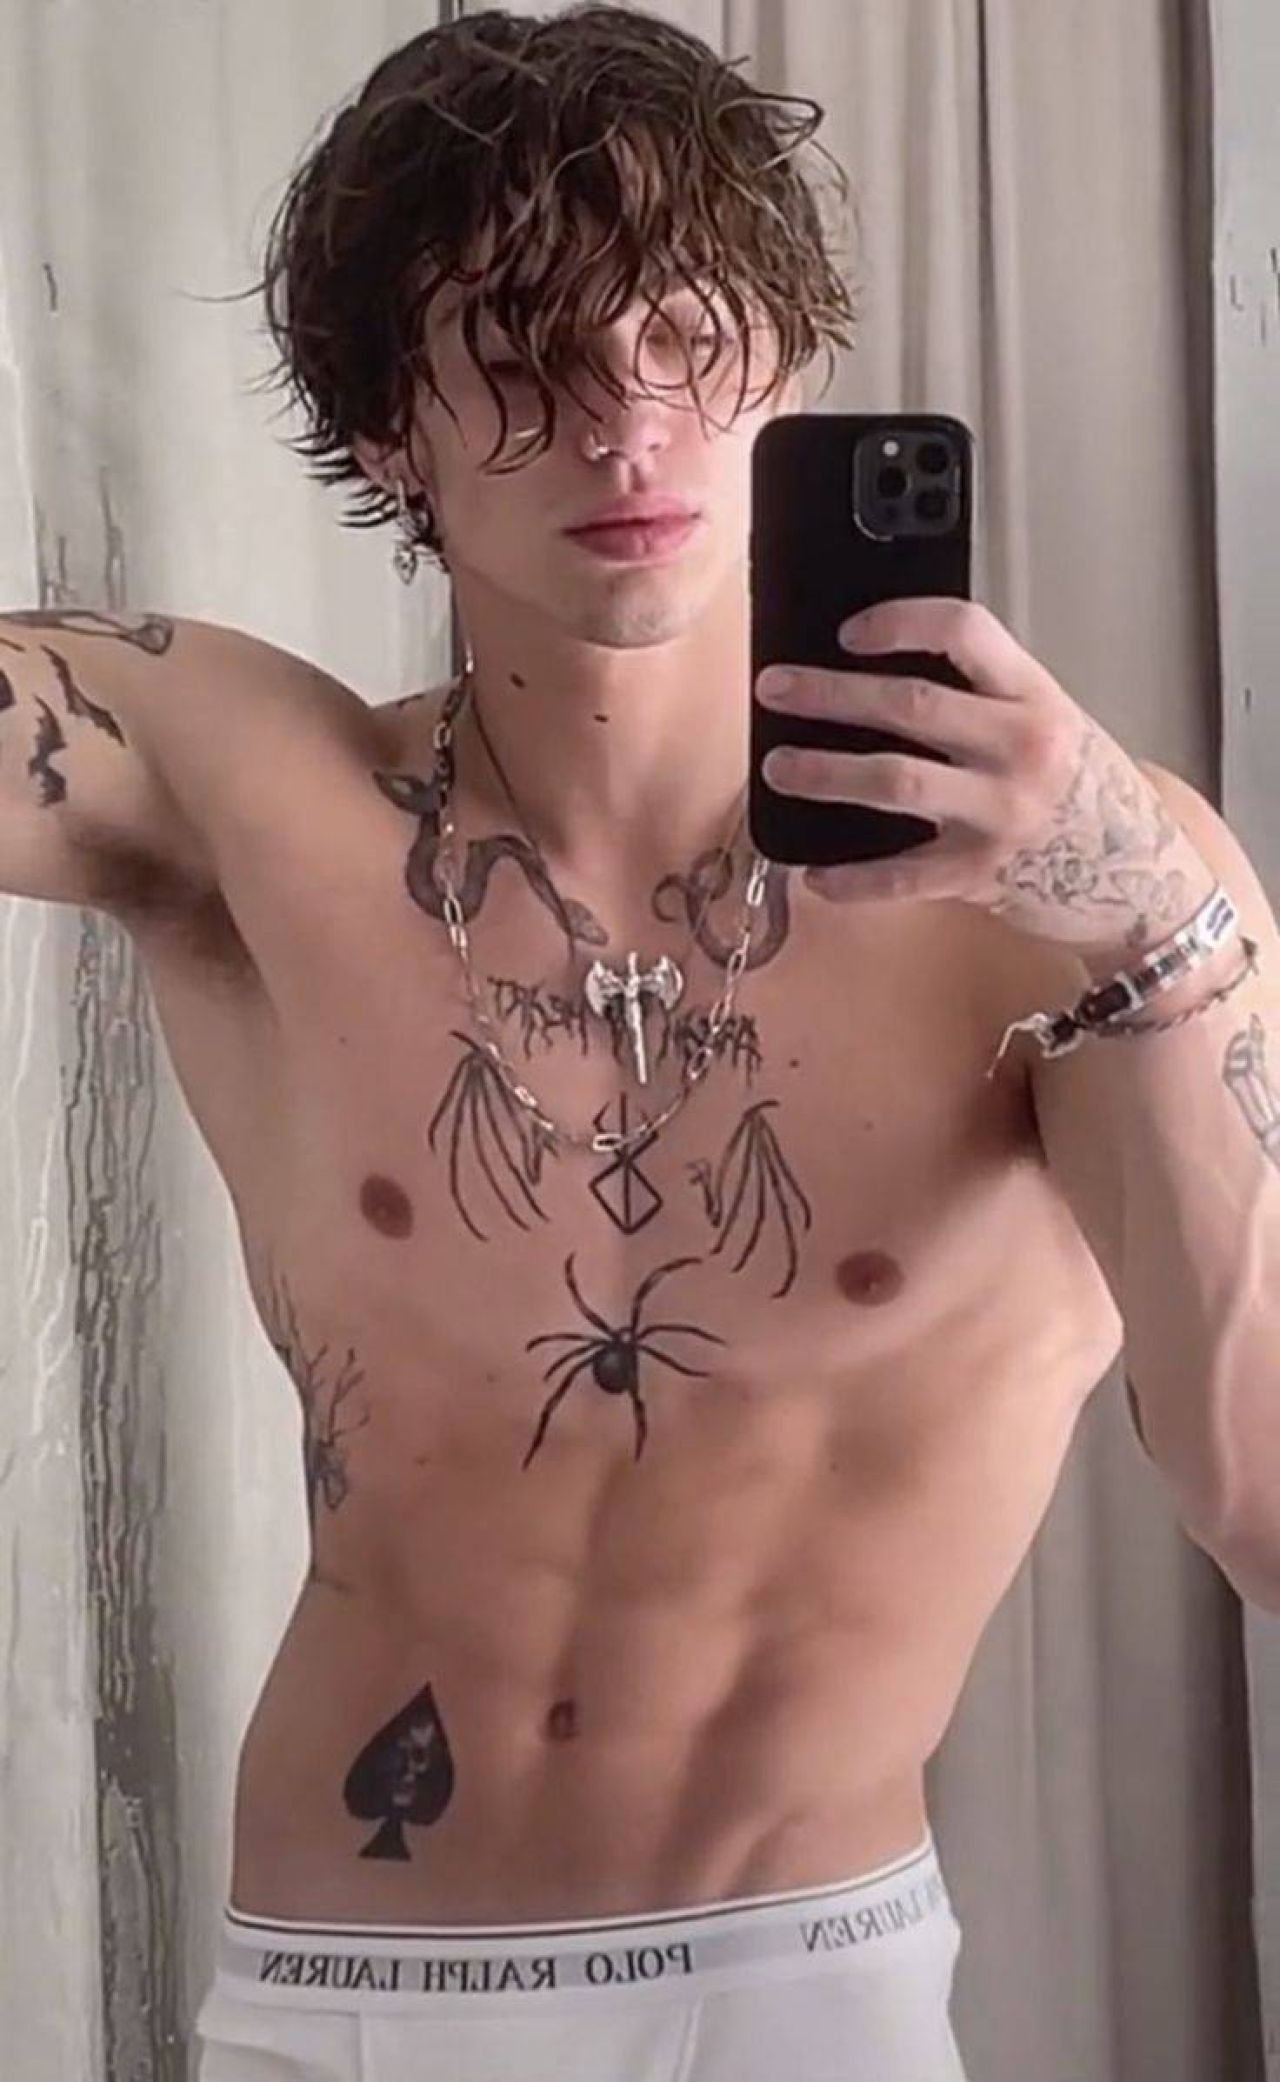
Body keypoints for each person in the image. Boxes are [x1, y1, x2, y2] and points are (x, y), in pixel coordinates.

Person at [3, 7, 1274, 2079]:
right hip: (339, 1995)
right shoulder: (250, 793)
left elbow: (1262, 1497)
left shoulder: (1088, 896)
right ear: (387, 427)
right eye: (524, 349)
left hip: (805, 1983)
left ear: (789, 368)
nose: (624, 421)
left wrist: (1150, 925)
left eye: (687, 334)